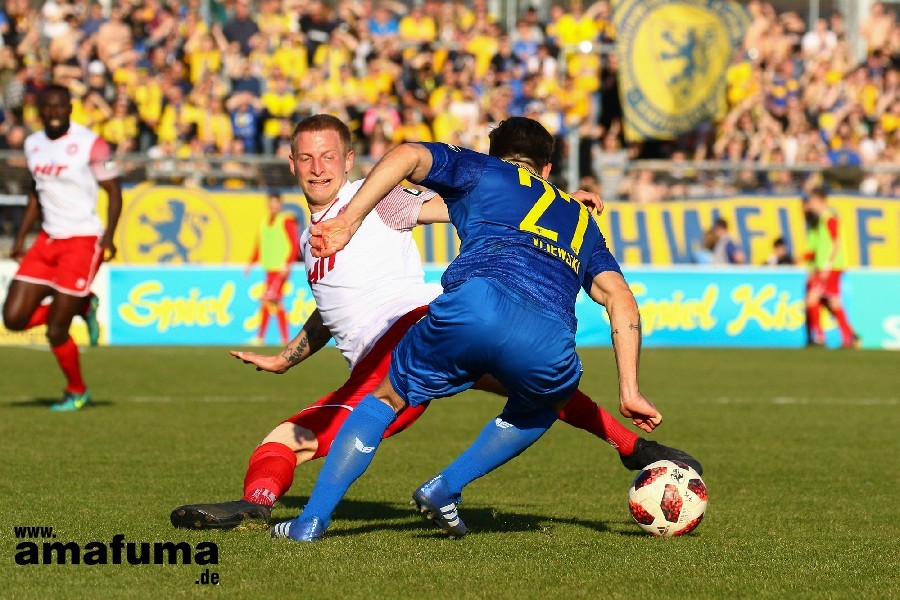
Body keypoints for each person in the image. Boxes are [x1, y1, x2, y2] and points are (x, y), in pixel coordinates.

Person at [170, 115, 699, 531]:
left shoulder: (377, 200)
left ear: (349, 160)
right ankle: (635, 448)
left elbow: (456, 203)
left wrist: (549, 199)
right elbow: (332, 308)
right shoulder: (316, 235)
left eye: (328, 156)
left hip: (408, 329)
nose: (317, 168)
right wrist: (286, 359)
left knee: (289, 439)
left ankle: (260, 504)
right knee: (535, 386)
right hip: (435, 328)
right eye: (306, 158)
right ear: (291, 164)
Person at [2, 85, 122, 411]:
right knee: (13, 318)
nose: (53, 112)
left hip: (82, 240)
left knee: (56, 330)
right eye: (47, 107)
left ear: (70, 108)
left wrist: (109, 236)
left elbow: (114, 190)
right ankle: (82, 307)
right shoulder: (33, 143)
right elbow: (36, 192)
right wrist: (21, 237)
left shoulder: (90, 143)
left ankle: (77, 391)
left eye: (59, 106)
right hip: (47, 240)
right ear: (40, 111)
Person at [803, 188, 859, 348]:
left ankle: (820, 337)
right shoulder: (820, 220)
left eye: (811, 201)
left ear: (819, 200)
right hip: (825, 266)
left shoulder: (829, 218)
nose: (810, 204)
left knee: (813, 298)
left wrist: (828, 264)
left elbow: (836, 242)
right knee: (832, 302)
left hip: (831, 266)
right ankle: (848, 337)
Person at [245, 191, 300, 346]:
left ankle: (261, 337)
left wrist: (287, 263)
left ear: (280, 205)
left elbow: (294, 244)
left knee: (267, 299)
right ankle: (284, 338)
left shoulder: (286, 221)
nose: (273, 206)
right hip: (270, 269)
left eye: (276, 203)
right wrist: (251, 263)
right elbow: (259, 245)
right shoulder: (264, 222)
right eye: (271, 203)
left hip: (280, 269)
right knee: (275, 302)